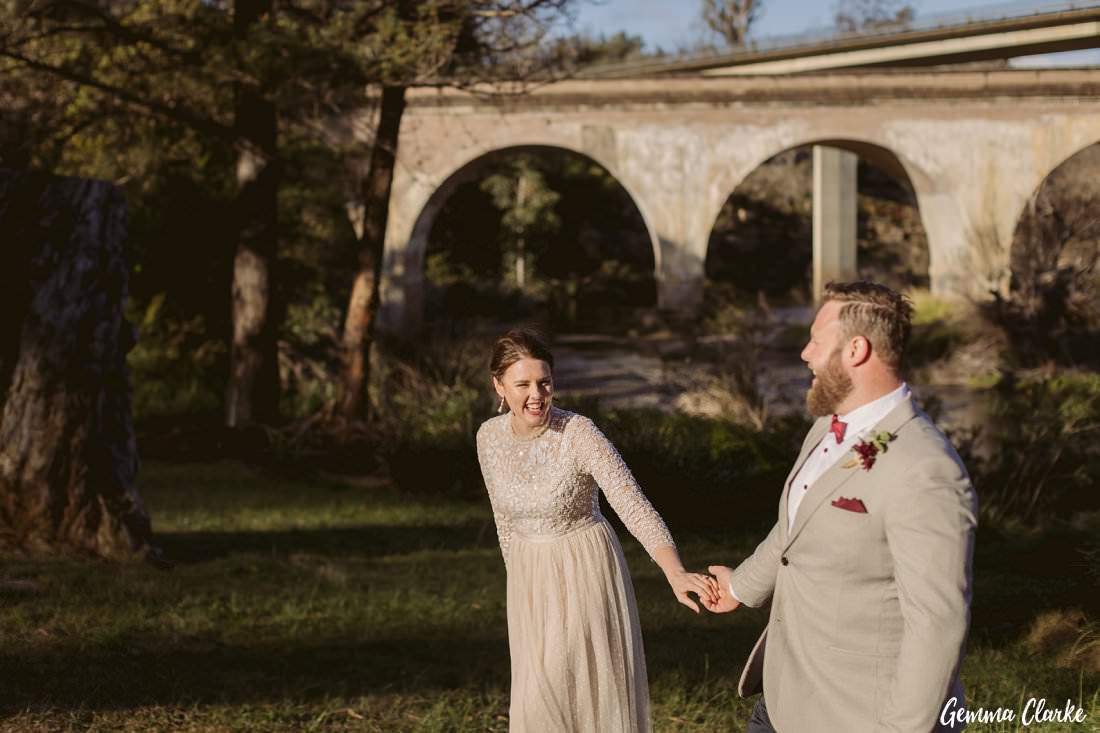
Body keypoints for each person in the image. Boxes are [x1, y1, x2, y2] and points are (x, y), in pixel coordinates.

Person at [705, 281, 977, 733]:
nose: (805, 354)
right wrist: (740, 589)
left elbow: (937, 626)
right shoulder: (827, 426)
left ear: (856, 349)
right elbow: (793, 528)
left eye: (816, 340)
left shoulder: (926, 470)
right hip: (785, 692)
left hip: (857, 712)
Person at [476, 327, 718, 733]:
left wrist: (674, 572)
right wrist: (518, 578)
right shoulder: (488, 437)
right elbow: (503, 517)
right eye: (522, 384)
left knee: (567, 696)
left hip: (583, 573)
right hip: (528, 581)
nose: (536, 394)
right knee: (536, 698)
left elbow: (633, 506)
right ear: (498, 386)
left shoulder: (579, 433)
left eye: (545, 382)